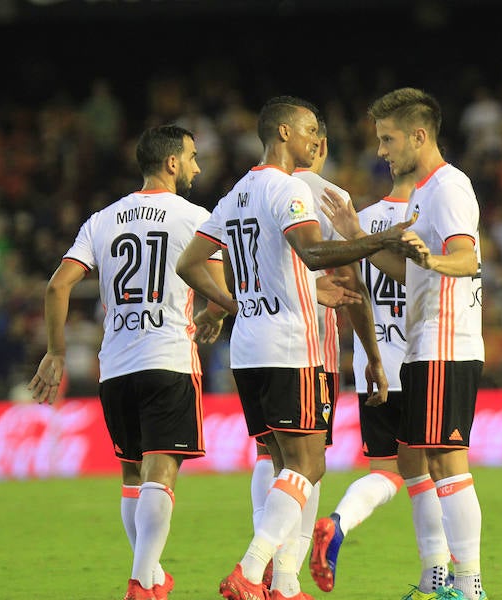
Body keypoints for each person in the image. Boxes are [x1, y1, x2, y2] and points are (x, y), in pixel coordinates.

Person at [176, 95, 418, 600]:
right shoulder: (293, 190)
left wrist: (234, 304)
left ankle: (283, 584)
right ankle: (251, 570)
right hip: (295, 347)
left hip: (250, 349)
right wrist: (376, 240)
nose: (314, 139)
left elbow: (191, 262)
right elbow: (315, 255)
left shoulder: (237, 192)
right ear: (284, 133)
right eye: (308, 130)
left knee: (279, 461)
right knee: (307, 466)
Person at [28, 124, 229, 600]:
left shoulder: (102, 220)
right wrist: (213, 314)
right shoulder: (197, 217)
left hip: (115, 366)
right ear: (172, 163)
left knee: (131, 473)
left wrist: (55, 353)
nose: (198, 166)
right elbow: (218, 292)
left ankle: (153, 577)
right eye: (193, 157)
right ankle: (141, 582)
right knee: (161, 474)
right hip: (168, 359)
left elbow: (57, 286)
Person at [320, 88, 488, 600]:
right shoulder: (422, 193)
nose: (381, 151)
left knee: (447, 464)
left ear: (419, 135)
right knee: (435, 466)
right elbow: (406, 272)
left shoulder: (448, 185)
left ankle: (469, 586)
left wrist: (432, 260)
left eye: (388, 139)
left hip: (445, 341)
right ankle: (449, 583)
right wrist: (360, 236)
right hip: (422, 345)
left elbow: (467, 259)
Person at [250, 118, 389, 591]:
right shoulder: (325, 195)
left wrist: (220, 309)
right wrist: (371, 354)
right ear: (319, 142)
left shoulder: (248, 190)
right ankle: (273, 571)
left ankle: (275, 570)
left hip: (252, 344)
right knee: (308, 464)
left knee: (270, 457)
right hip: (305, 347)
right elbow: (351, 284)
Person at [311, 167, 454, 595]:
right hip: (423, 359)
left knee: (388, 470)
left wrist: (368, 357)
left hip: (374, 363)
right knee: (436, 469)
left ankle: (339, 522)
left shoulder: (359, 221)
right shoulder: (430, 218)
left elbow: (349, 291)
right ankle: (439, 578)